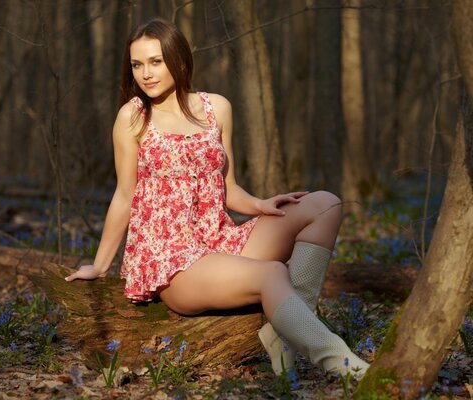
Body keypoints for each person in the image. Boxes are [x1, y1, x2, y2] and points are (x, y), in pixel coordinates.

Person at [65, 17, 369, 377]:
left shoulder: (216, 108)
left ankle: (283, 332)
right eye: (137, 64)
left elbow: (228, 187)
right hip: (173, 262)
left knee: (326, 204)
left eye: (155, 61)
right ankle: (344, 365)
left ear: (178, 60)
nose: (145, 73)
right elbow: (124, 194)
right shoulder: (132, 117)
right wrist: (100, 265)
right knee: (272, 273)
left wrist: (261, 205)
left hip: (218, 240)